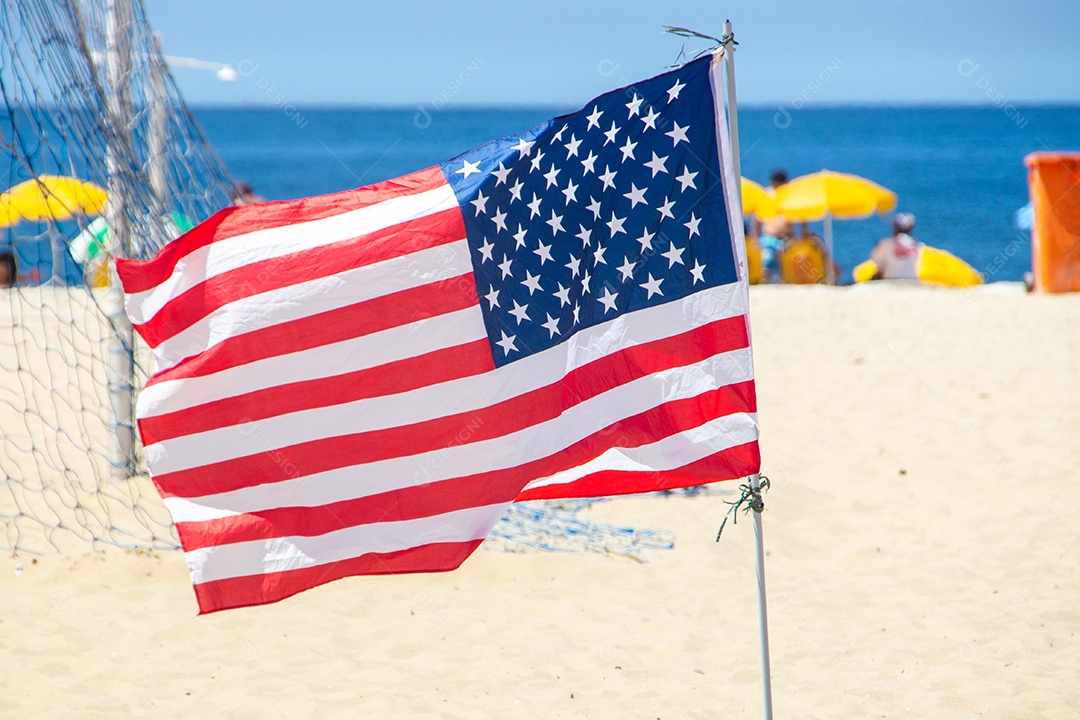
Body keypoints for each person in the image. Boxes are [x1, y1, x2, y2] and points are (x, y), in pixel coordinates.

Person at [869, 212, 922, 280]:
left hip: (890, 278)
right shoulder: (917, 245)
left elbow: (877, 262)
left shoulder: (886, 244)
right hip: (912, 279)